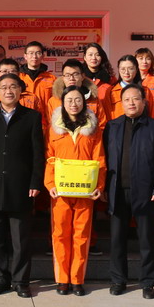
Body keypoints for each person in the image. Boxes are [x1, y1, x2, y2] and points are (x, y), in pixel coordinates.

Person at [0, 73, 45, 298]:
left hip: (21, 184)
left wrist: (36, 181)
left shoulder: (31, 117)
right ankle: (0, 278)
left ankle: (21, 281)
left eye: (13, 87)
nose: (8, 91)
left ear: (20, 91)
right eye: (4, 87)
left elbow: (38, 153)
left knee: (20, 238)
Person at [104, 84, 154, 299]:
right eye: (127, 99)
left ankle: (148, 282)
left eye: (135, 99)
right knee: (117, 240)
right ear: (121, 103)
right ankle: (118, 280)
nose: (131, 103)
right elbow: (104, 159)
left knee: (147, 241)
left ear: (144, 102)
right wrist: (103, 187)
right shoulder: (112, 126)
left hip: (146, 192)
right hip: (117, 191)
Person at [44, 85, 105, 296]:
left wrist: (99, 186)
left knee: (81, 236)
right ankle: (62, 279)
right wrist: (50, 184)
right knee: (60, 235)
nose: (73, 104)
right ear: (62, 103)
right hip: (61, 192)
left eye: (78, 99)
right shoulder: (54, 128)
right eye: (69, 100)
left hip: (85, 191)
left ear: (84, 102)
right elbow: (49, 158)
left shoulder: (93, 128)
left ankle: (77, 279)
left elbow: (100, 159)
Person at [18, 41, 57, 107]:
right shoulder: (18, 77)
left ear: (43, 56)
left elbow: (55, 102)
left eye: (38, 53)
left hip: (44, 113)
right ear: (25, 56)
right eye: (31, 53)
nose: (34, 56)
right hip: (23, 113)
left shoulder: (52, 78)